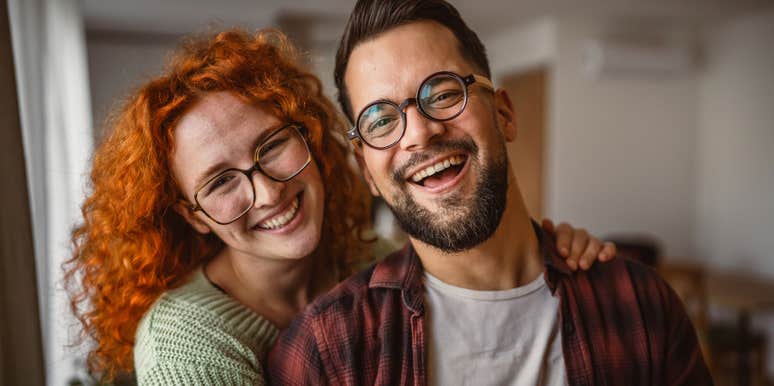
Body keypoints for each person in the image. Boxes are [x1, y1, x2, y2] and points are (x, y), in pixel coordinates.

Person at [64, 29, 614, 384]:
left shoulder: (372, 255)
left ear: (311, 138)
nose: (268, 191)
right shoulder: (186, 345)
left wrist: (556, 246)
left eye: (272, 147)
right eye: (222, 181)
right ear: (193, 214)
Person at [268, 1, 713, 385]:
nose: (419, 133)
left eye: (442, 93)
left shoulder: (639, 307)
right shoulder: (327, 351)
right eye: (381, 121)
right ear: (366, 168)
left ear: (503, 114)